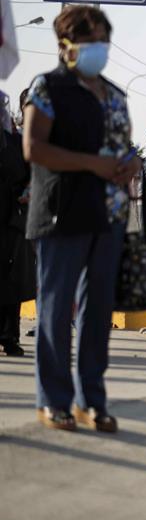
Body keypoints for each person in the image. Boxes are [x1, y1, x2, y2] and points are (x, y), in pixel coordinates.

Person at [22, 5, 142, 432]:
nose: (99, 49)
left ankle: (92, 400)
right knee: (56, 310)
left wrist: (131, 163)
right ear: (65, 46)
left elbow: (124, 147)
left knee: (97, 314)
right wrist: (92, 164)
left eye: (102, 41)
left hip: (108, 214)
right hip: (61, 213)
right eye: (90, 41)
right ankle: (53, 400)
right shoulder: (47, 88)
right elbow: (34, 148)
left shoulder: (114, 94)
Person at [0, 89, 34, 357]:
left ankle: (10, 336)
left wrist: (28, 192)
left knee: (12, 280)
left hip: (12, 221)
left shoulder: (14, 144)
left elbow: (31, 177)